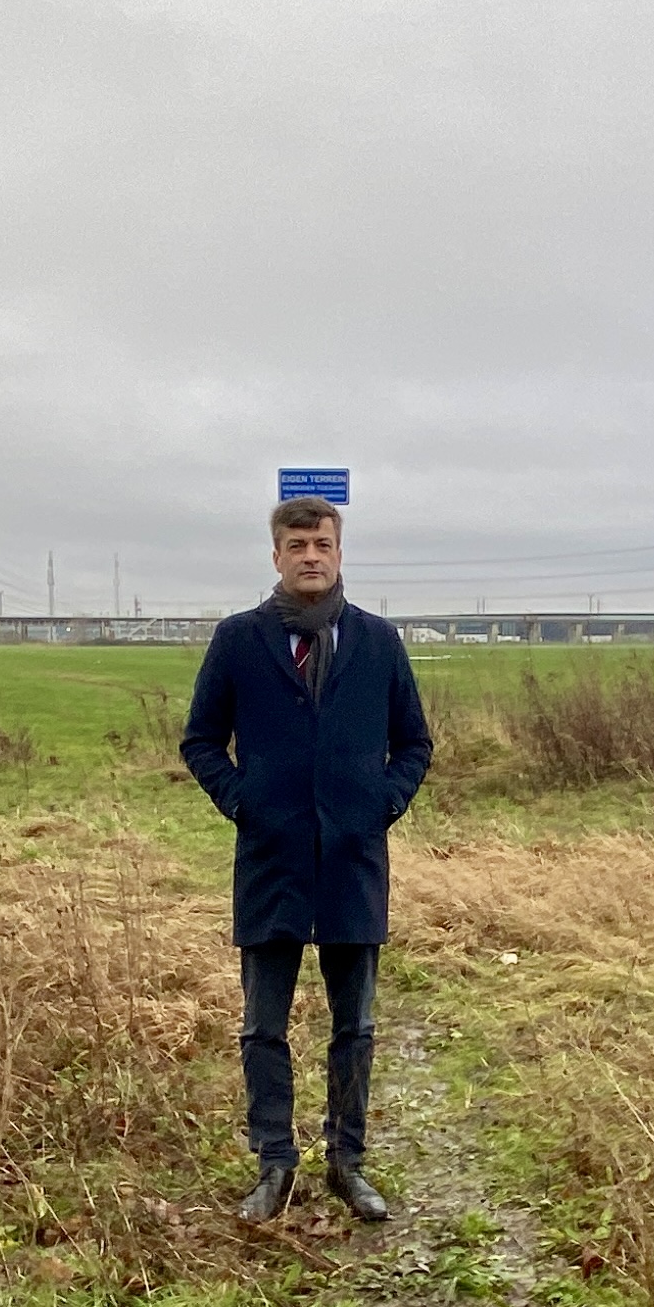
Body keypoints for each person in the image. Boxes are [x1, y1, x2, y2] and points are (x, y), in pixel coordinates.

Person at [178, 494, 432, 1221]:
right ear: (277, 556)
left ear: (339, 552)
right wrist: (245, 803)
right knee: (264, 1026)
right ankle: (275, 1165)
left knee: (355, 1028)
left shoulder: (378, 642)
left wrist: (380, 804)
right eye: (297, 546)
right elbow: (201, 741)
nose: (311, 556)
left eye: (322, 544)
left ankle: (347, 1162)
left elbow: (414, 742)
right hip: (272, 859)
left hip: (354, 860)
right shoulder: (239, 640)